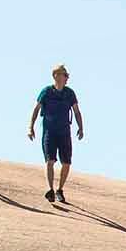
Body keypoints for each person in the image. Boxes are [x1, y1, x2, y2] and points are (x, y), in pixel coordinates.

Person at [27, 65, 84, 203]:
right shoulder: (46, 92)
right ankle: (50, 190)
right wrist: (31, 127)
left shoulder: (69, 93)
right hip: (49, 131)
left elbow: (76, 111)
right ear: (56, 76)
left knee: (66, 162)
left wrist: (81, 128)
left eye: (66, 76)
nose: (66, 78)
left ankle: (60, 190)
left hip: (64, 132)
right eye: (64, 75)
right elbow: (36, 109)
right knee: (50, 160)